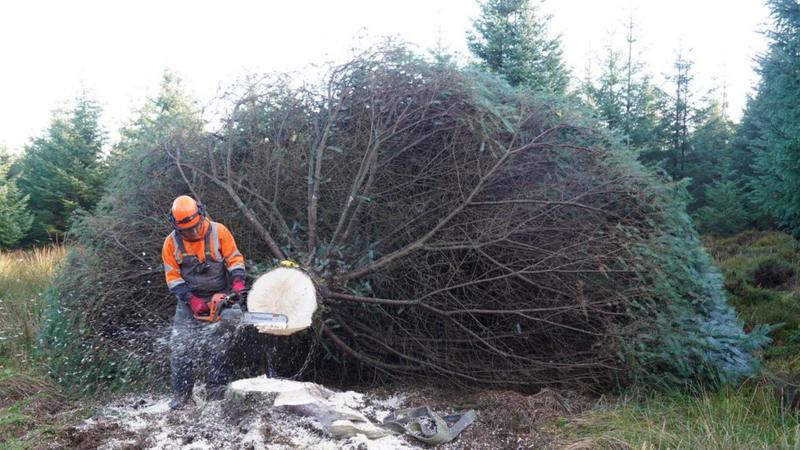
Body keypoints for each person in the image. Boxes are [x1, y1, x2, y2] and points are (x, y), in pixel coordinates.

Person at [161, 194, 247, 410]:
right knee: (181, 348)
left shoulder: (219, 232)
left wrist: (237, 285)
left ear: (201, 215)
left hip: (221, 295)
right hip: (188, 301)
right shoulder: (171, 243)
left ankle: (216, 396)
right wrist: (191, 299)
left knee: (219, 348)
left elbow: (235, 259)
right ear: (177, 226)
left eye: (194, 227)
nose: (192, 232)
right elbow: (173, 277)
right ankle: (182, 396)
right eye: (186, 230)